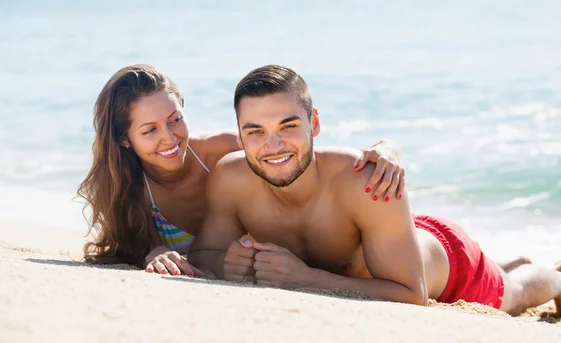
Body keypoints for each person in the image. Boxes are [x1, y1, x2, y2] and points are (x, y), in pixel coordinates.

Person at [188, 64, 561, 318]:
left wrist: (307, 279)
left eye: (288, 126)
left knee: (512, 293)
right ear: (239, 134)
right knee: (499, 268)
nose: (272, 146)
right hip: (392, 237)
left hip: (446, 264)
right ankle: (510, 260)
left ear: (315, 122)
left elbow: (413, 296)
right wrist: (228, 265)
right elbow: (206, 253)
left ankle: (560, 279)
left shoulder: (362, 178)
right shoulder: (231, 179)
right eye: (255, 131)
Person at [77, 64, 407, 277]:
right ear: (124, 138)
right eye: (149, 131)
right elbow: (127, 249)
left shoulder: (225, 150)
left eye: (175, 119)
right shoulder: (127, 190)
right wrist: (153, 251)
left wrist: (387, 147)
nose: (170, 137)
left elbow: (296, 152)